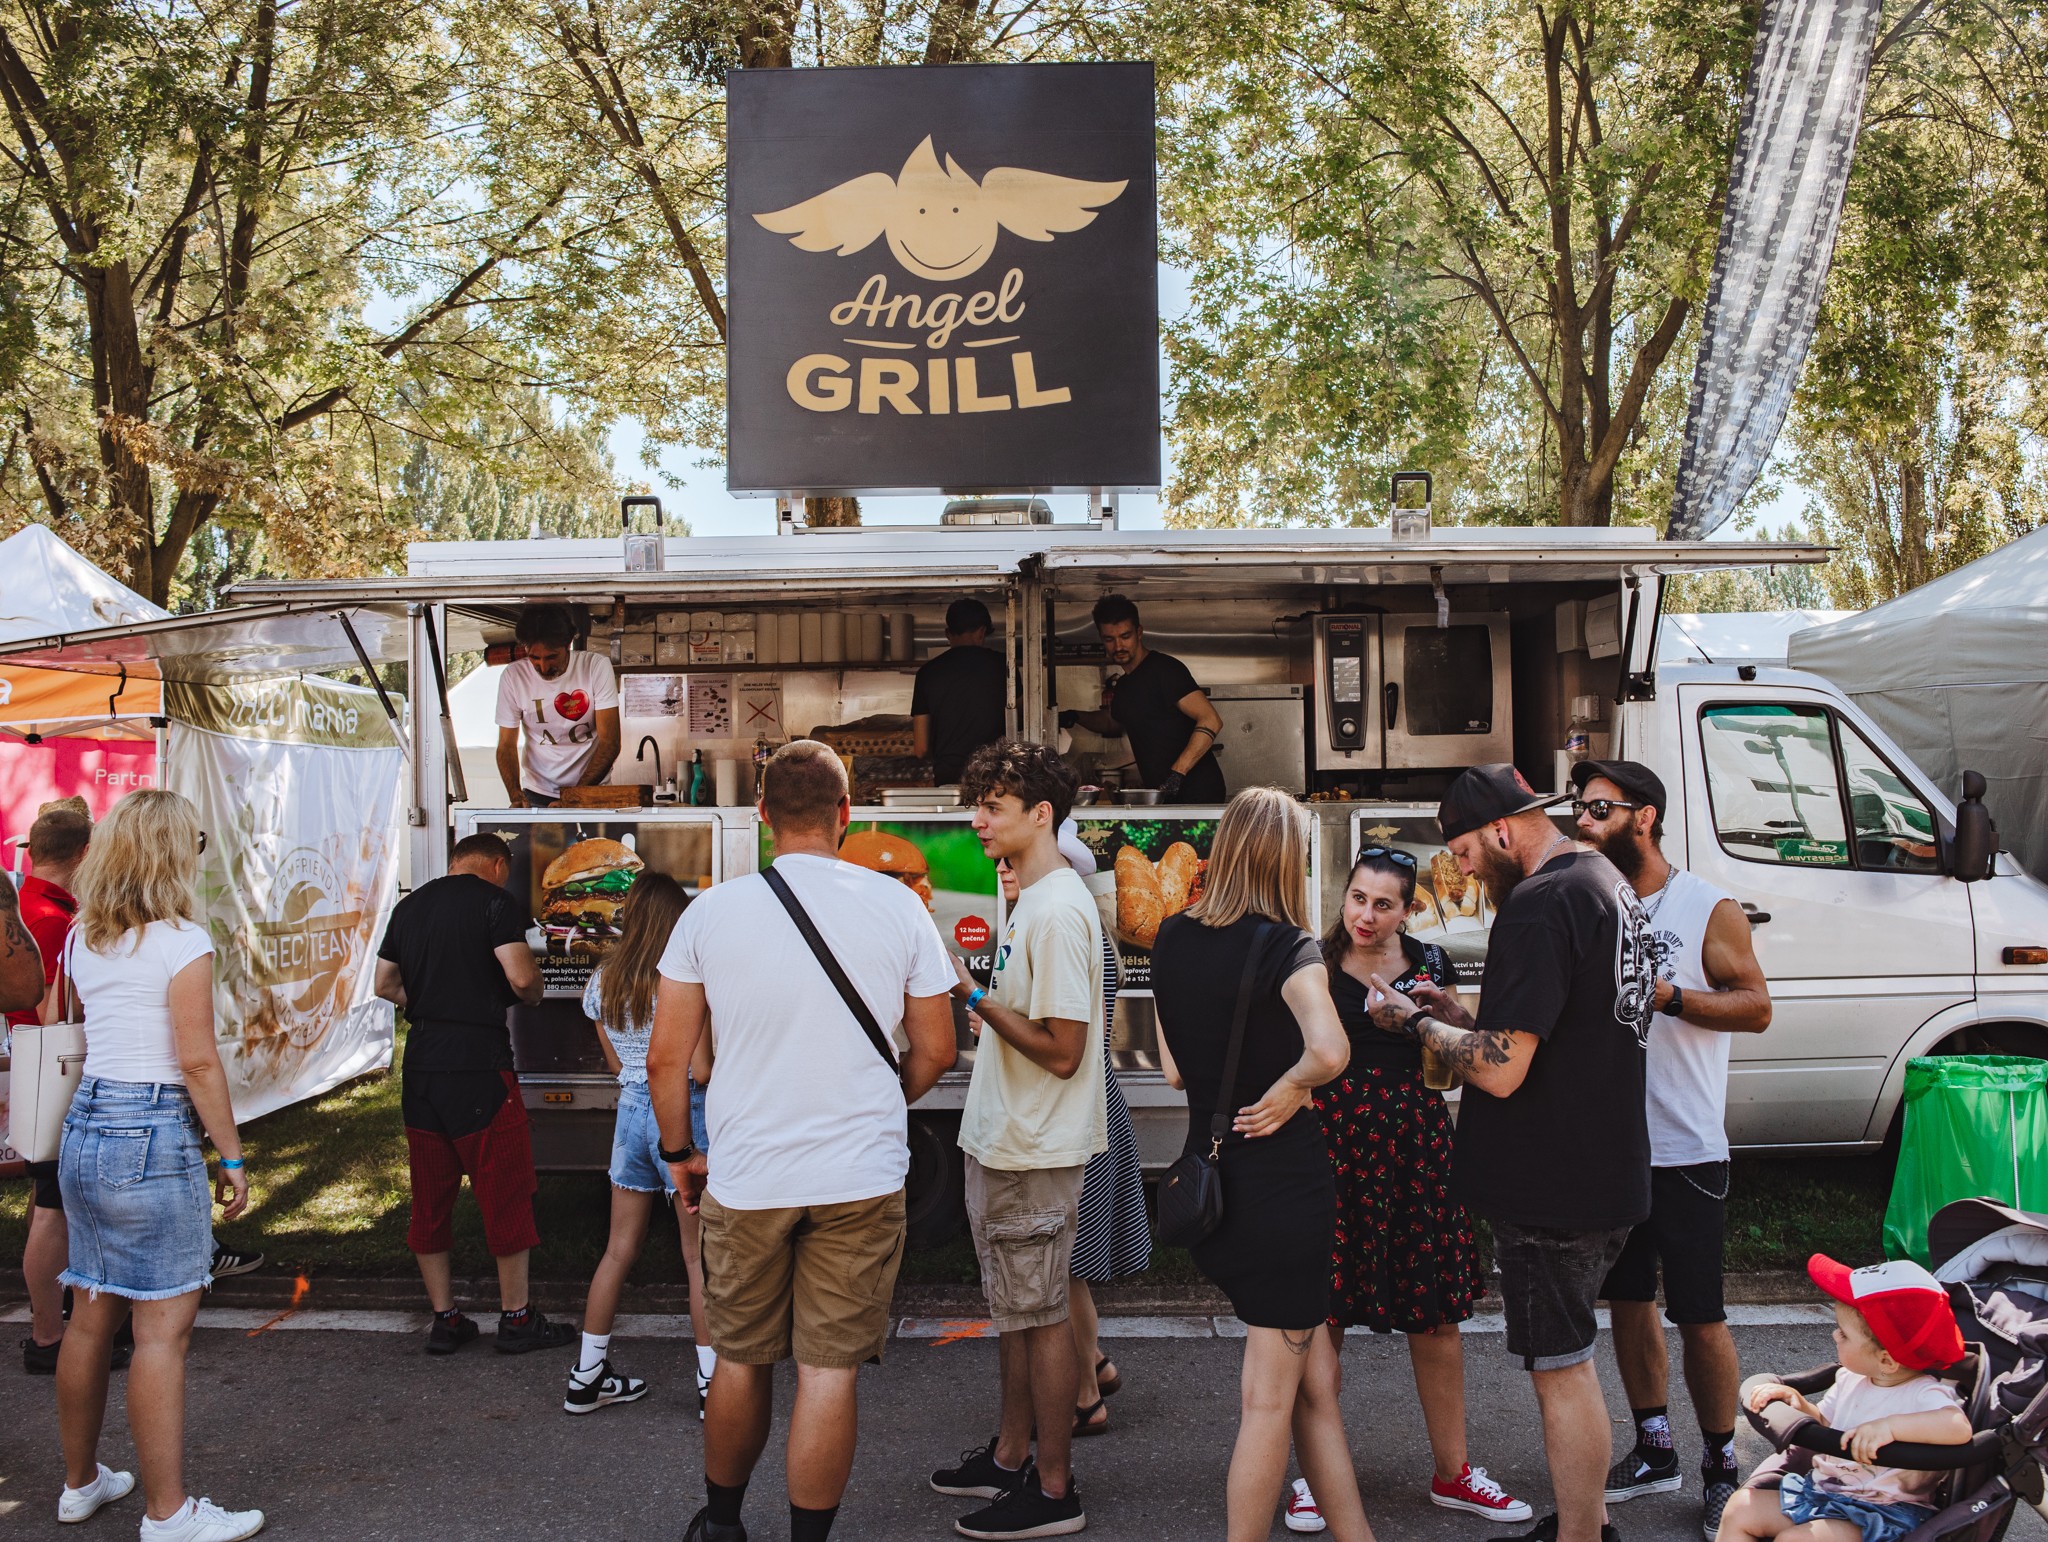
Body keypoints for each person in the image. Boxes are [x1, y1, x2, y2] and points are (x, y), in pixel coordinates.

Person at [649, 740, 956, 1542]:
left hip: (748, 1174)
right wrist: (881, 1101)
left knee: (741, 1358)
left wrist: (680, 1156)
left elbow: (666, 1061)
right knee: (828, 1373)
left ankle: (723, 1525)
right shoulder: (899, 906)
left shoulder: (709, 913)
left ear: (762, 817)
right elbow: (937, 1049)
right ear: (845, 814)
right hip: (861, 1177)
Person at [1366, 763, 1655, 1542]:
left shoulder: (1540, 901)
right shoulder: (1603, 881)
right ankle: (1587, 1523)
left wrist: (1415, 1023)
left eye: (1463, 851)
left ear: (1499, 829)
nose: (1461, 869)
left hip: (1553, 1181)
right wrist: (1458, 1015)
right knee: (1571, 1358)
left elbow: (1500, 1069)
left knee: (1562, 1369)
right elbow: (1548, 1031)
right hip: (1606, 1161)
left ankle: (1581, 1536)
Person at [1286, 846, 1531, 1534]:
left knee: (1435, 1314)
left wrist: (1443, 1014)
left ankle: (1454, 1472)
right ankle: (1314, 1476)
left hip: (1415, 1148)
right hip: (1331, 1148)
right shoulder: (1311, 962)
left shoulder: (1431, 963)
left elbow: (1456, 1063)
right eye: (1358, 898)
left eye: (1383, 904)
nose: (1366, 915)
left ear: (1407, 910)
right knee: (1323, 1313)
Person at [1150, 787, 1372, 1542]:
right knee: (1268, 1404)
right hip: (1281, 1196)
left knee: (1314, 1396)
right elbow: (1331, 1051)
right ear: (1288, 858)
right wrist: (1290, 1086)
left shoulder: (1171, 936)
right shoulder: (1290, 948)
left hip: (1210, 1187)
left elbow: (1174, 1072)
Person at [49, 789, 263, 1541]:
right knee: (161, 1333)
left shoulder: (83, 935)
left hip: (87, 1123)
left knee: (89, 1318)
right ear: (173, 853)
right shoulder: (181, 940)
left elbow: (66, 1024)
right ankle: (168, 1515)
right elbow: (197, 1063)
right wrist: (232, 1156)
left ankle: (80, 1484)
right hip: (150, 1128)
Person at [1574, 760, 1774, 1540]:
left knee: (1700, 1314)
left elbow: (1756, 1006)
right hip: (1614, 1146)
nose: (1583, 820)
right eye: (1581, 808)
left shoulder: (1705, 906)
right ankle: (1655, 1446)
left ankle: (1722, 1466)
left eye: (1599, 808)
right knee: (1629, 1302)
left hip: (1687, 1145)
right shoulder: (1593, 901)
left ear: (1645, 816)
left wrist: (1673, 997)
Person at [929, 740, 1104, 1539]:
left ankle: (1055, 1488)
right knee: (1015, 1311)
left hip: (1034, 1145)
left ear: (1040, 814)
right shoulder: (1030, 897)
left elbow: (1064, 1050)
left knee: (1041, 1318)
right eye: (978, 804)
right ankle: (1008, 1458)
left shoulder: (1059, 910)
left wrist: (972, 995)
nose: (978, 820)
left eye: (993, 806)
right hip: (1006, 1138)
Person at [373, 832, 575, 1355]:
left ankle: (446, 1319)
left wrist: (432, 1003)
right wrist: (534, 993)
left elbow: (384, 984)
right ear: (497, 865)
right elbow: (522, 977)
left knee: (430, 1197)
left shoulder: (410, 906)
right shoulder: (495, 903)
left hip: (422, 1066)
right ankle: (517, 1318)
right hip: (479, 1067)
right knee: (506, 1191)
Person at [988, 835, 1151, 1443]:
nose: (1004, 869)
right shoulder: (1075, 923)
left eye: (1014, 861)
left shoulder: (1061, 922)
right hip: (1093, 1097)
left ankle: (1083, 1395)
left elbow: (1061, 1044)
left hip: (1079, 1108)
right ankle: (1094, 1365)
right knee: (1067, 1262)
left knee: (1064, 1266)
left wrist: (986, 1008)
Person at [566, 871, 718, 1416]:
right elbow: (701, 1069)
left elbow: (617, 1064)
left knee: (617, 1249)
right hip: (683, 1114)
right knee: (698, 1258)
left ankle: (586, 1377)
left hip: (630, 1111)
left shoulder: (603, 980)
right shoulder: (685, 980)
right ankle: (711, 1386)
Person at [1719, 1256, 1969, 1542]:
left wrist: (1890, 1428)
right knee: (1739, 1509)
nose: (1834, 1335)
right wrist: (1799, 1404)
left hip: (1883, 1512)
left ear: (1886, 1361)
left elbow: (1958, 1427)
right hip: (1822, 1494)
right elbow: (1826, 1426)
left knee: (1796, 1540)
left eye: (1844, 1334)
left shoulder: (1924, 1393)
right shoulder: (1850, 1379)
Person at [9, 803, 102, 1376]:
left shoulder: (28, 904)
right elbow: (51, 1011)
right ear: (85, 854)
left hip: (36, 1068)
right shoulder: (50, 916)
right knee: (52, 1206)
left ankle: (50, 1318)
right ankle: (47, 1336)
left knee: (48, 1200)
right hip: (53, 1070)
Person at [1065, 594, 1224, 803]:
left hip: (1199, 792)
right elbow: (1112, 722)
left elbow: (1211, 720)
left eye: (1125, 636)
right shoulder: (1124, 686)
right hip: (1163, 794)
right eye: (1109, 639)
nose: (1118, 646)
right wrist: (1075, 716)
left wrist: (1178, 773)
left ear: (1139, 632)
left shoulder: (1165, 670)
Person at [495, 603, 622, 807]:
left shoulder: (595, 666)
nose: (543, 666)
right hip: (537, 792)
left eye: (551, 657)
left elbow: (610, 742)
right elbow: (506, 745)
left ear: (568, 644)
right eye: (534, 658)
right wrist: (515, 794)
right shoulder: (513, 676)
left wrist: (574, 797)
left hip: (591, 789)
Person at [912, 597, 1009, 785]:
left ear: (947, 633)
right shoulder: (1003, 666)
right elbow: (1020, 719)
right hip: (993, 776)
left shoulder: (927, 672)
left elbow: (920, 749)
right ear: (982, 632)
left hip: (949, 776)